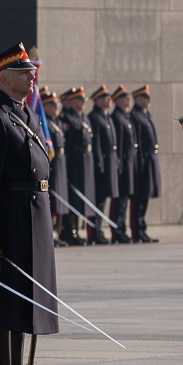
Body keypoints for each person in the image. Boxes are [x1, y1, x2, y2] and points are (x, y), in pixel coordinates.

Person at [0, 44, 59, 365]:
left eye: (31, 71)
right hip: (11, 214)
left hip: (34, 213)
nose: (32, 76)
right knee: (7, 298)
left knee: (26, 295)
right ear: (4, 79)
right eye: (24, 73)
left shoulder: (28, 114)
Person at [59, 87, 94, 246]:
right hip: (74, 162)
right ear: (71, 101)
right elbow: (67, 146)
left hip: (85, 163)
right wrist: (66, 169)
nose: (83, 102)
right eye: (79, 100)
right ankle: (70, 232)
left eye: (83, 100)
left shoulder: (84, 118)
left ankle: (77, 231)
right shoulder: (67, 118)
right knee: (73, 198)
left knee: (81, 198)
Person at [130, 85, 162, 243]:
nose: (148, 100)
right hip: (142, 161)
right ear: (137, 99)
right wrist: (140, 161)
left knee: (146, 197)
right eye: (145, 97)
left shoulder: (146, 115)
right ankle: (137, 230)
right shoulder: (135, 116)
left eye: (149, 97)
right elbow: (136, 142)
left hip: (150, 161)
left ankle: (142, 229)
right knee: (139, 197)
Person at [87, 86, 118, 245]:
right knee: (97, 200)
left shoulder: (107, 117)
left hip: (109, 163)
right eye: (106, 97)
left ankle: (98, 230)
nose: (109, 99)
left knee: (103, 199)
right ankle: (94, 232)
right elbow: (97, 143)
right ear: (97, 100)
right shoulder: (95, 117)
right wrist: (99, 163)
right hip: (102, 164)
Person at [40, 88, 68, 245]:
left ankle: (59, 232)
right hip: (52, 166)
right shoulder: (45, 124)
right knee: (52, 201)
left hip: (60, 165)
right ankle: (50, 234)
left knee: (60, 201)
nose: (56, 107)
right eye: (52, 104)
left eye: (56, 104)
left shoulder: (57, 122)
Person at [109, 87, 136, 244]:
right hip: (122, 164)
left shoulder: (125, 116)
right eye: (125, 97)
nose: (129, 100)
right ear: (117, 100)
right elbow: (117, 145)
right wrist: (118, 165)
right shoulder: (117, 117)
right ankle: (117, 230)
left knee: (125, 199)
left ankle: (122, 229)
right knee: (119, 200)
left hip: (128, 164)